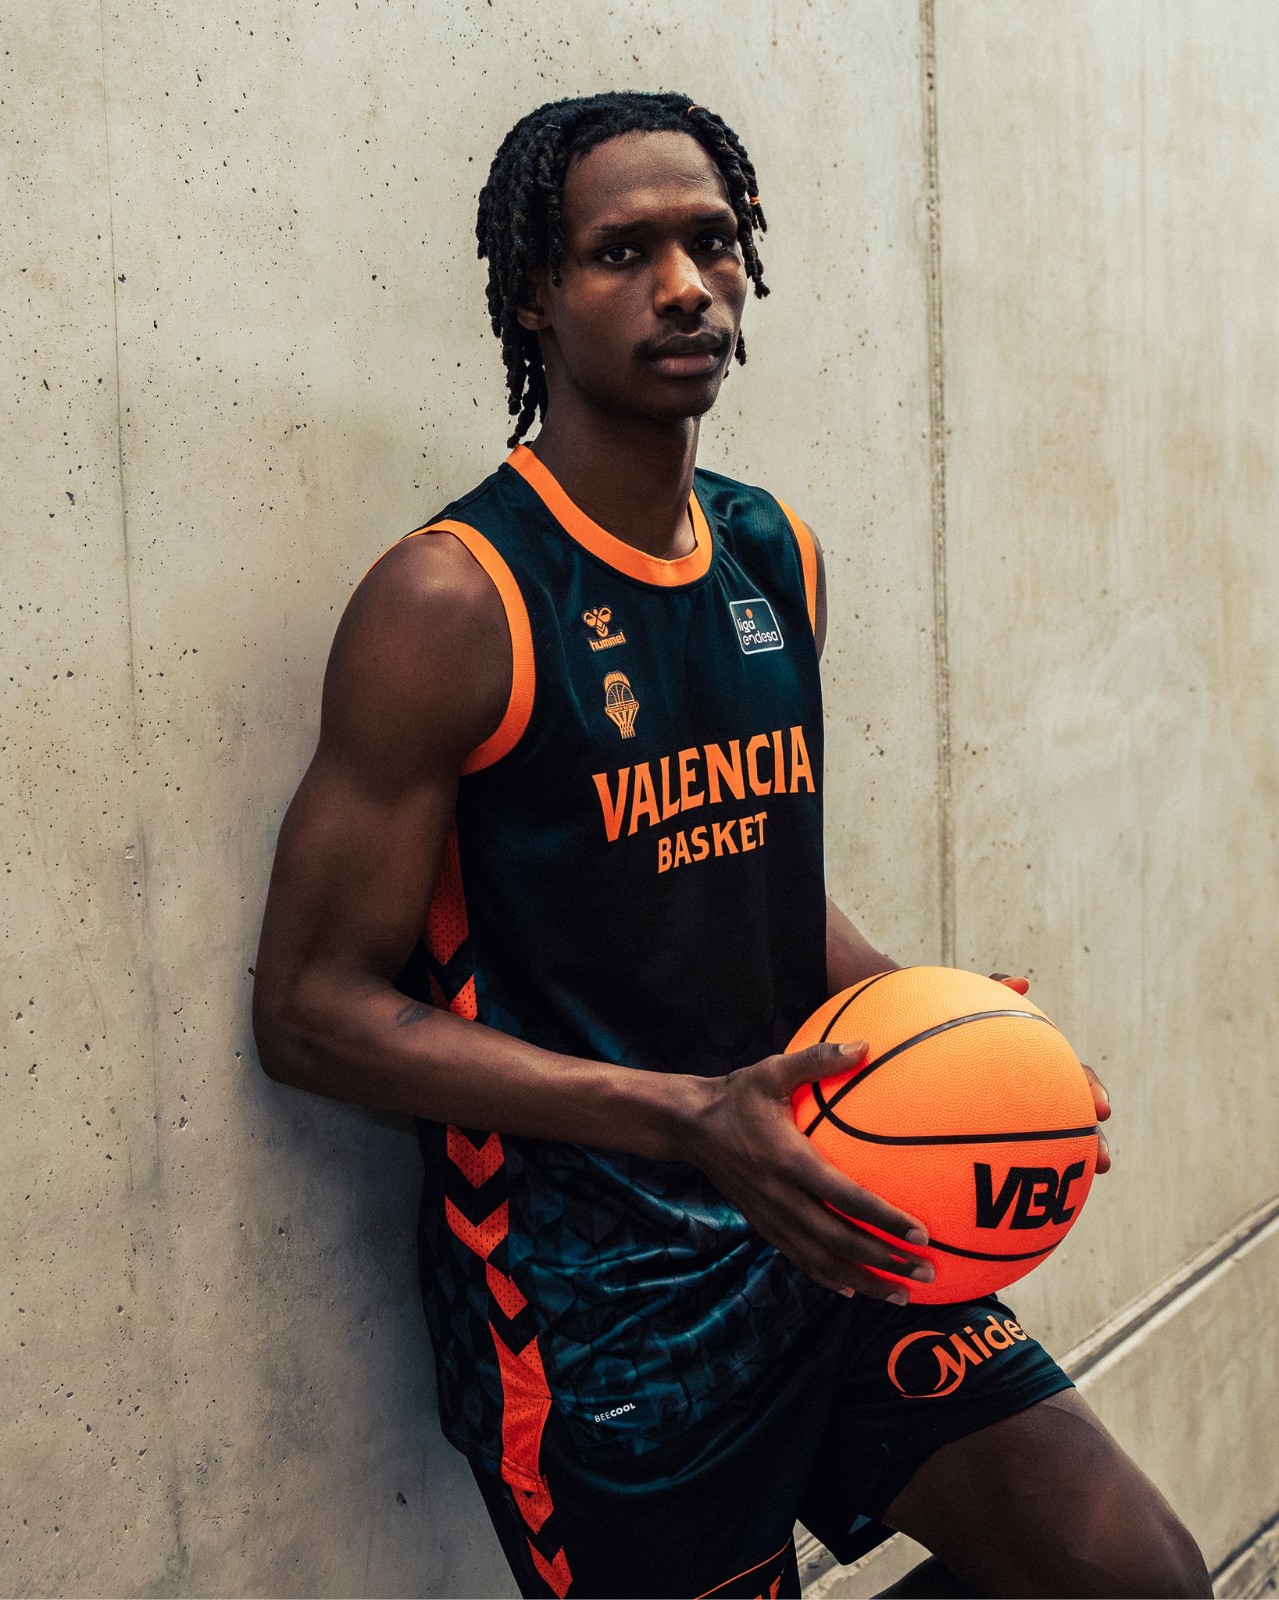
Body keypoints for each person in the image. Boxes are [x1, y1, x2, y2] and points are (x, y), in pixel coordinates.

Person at [253, 92, 1210, 1599]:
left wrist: (968, 1044)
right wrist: (689, 1116)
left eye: (712, 243)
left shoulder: (774, 553)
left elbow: (750, 881)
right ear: (532, 294)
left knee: (1127, 1573)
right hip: (600, 1318)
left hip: (820, 1211)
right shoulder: (456, 602)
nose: (685, 286)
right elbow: (312, 1013)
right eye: (620, 252)